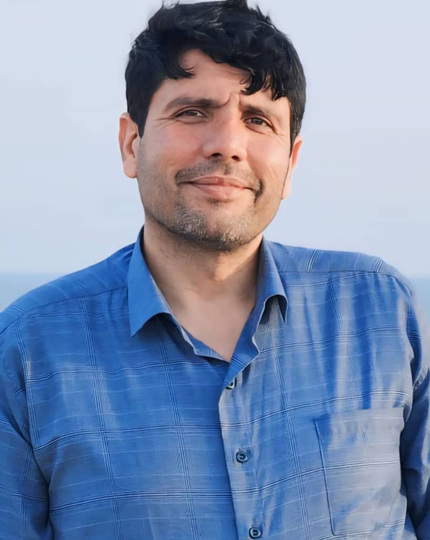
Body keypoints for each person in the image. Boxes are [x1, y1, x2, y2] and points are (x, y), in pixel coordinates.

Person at [0, 0, 429, 538]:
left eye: (258, 120)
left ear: (290, 162)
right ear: (131, 144)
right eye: (192, 112)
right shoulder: (27, 349)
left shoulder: (380, 312)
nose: (227, 144)